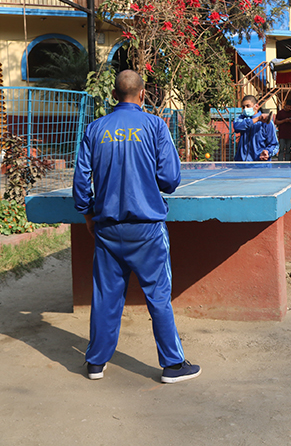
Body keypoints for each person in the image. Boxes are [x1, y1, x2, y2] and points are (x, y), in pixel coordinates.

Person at [72, 70, 201, 383]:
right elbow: (170, 180)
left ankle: (95, 363)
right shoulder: (155, 126)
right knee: (158, 295)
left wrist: (88, 215)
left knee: (105, 297)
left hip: (107, 229)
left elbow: (80, 182)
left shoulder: (95, 128)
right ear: (142, 94)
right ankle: (172, 365)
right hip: (147, 229)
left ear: (113, 94)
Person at [233, 95, 279, 161]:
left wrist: (267, 152)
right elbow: (237, 127)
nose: (245, 109)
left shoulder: (266, 123)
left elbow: (274, 145)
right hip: (242, 164)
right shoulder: (241, 119)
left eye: (248, 106)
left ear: (256, 106)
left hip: (260, 164)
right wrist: (257, 119)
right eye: (243, 107)